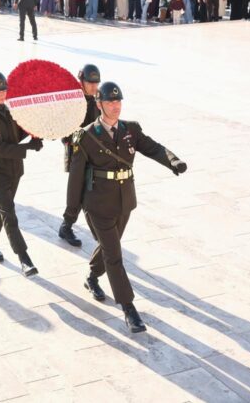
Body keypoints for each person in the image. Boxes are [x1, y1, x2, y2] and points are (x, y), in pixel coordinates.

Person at [67, 82, 187, 333]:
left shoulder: (131, 129)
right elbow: (75, 177)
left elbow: (152, 147)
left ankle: (91, 277)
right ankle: (129, 308)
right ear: (99, 104)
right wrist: (70, 216)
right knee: (114, 254)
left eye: (118, 101)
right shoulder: (86, 136)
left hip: (124, 201)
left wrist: (173, 161)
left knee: (109, 246)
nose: (115, 106)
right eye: (110, 102)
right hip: (97, 203)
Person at [0, 71, 44, 276]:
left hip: (15, 169)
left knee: (2, 209)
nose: (1, 93)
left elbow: (19, 132)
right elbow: (1, 149)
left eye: (3, 89)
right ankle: (24, 259)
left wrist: (37, 131)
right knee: (9, 213)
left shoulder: (11, 112)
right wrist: (29, 148)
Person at [60, 63, 101, 247]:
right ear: (81, 82)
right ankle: (66, 226)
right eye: (90, 82)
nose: (94, 86)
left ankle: (96, 229)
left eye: (96, 82)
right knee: (77, 191)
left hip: (96, 154)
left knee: (92, 192)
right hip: (78, 153)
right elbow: (65, 132)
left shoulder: (98, 100)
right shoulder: (73, 102)